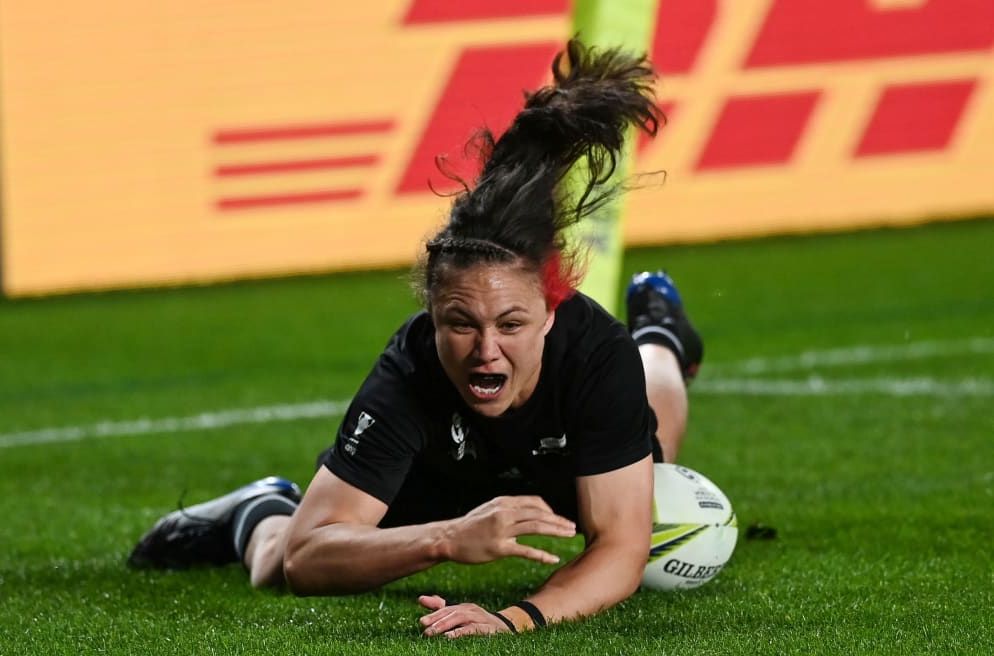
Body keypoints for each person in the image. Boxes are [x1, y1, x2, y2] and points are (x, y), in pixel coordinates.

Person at [127, 39, 703, 638]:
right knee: (273, 565)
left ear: (550, 313)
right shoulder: (411, 370)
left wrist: (512, 619)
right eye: (460, 323)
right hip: (441, 482)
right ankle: (258, 507)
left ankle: (660, 332)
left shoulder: (593, 351)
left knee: (653, 458)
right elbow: (306, 558)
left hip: (563, 458)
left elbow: (620, 551)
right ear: (432, 313)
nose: (486, 349)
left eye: (510, 324)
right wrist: (446, 539)